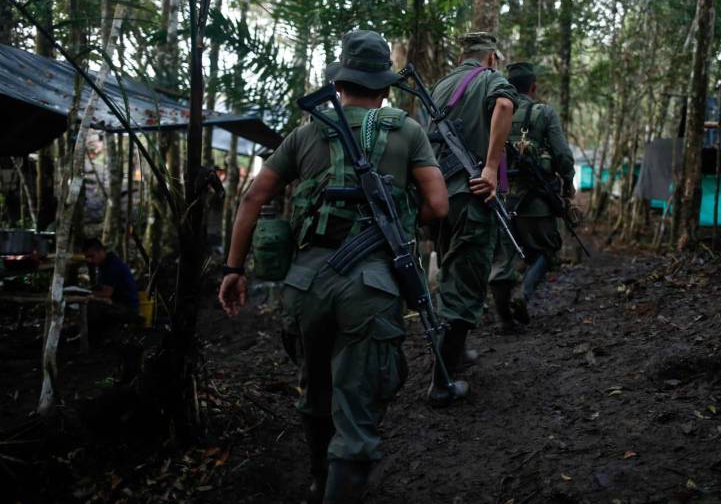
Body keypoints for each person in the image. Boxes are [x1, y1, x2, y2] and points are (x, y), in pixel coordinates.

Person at [218, 30, 449, 504]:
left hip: (306, 284)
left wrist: (233, 269)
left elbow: (253, 198)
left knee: (315, 389)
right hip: (371, 286)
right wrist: (399, 219)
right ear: (384, 86)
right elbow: (439, 206)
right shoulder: (407, 131)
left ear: (339, 84)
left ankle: (317, 479)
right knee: (357, 410)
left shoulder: (307, 133)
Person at [427, 32, 519, 408]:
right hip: (471, 195)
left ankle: (458, 352)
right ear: (491, 57)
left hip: (439, 198)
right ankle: (441, 383)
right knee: (465, 284)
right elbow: (505, 105)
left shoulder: (440, 86)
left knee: (452, 275)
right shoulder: (489, 78)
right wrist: (492, 167)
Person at [489, 62, 575, 332]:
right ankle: (523, 295)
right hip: (535, 200)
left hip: (500, 199)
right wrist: (568, 182)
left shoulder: (494, 111)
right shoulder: (543, 113)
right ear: (533, 87)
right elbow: (562, 154)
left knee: (504, 258)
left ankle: (504, 319)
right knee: (546, 250)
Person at [83, 238, 139, 316]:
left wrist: (86, 294)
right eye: (87, 257)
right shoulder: (104, 264)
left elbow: (106, 293)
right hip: (119, 304)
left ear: (101, 251)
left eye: (92, 256)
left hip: (127, 308)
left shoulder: (111, 265)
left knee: (93, 308)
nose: (89, 260)